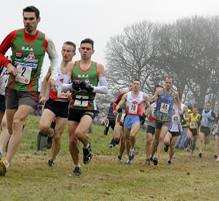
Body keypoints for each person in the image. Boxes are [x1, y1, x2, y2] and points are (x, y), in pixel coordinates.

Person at [0, 5, 61, 176]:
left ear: (38, 20)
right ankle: (5, 149)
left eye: (31, 19)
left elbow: (54, 57)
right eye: (25, 19)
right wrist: (7, 64)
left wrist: (54, 76)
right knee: (9, 126)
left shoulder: (45, 40)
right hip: (13, 87)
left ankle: (7, 162)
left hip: (30, 91)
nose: (28, 22)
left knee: (17, 121)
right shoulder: (14, 35)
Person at [61, 38, 108, 176]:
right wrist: (72, 85)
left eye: (88, 49)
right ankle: (77, 166)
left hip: (88, 106)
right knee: (72, 139)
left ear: (93, 51)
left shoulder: (98, 67)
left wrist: (91, 88)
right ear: (79, 50)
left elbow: (105, 89)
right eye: (83, 48)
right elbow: (63, 87)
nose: (85, 51)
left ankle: (87, 146)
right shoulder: (72, 65)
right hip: (74, 105)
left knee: (80, 133)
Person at [38, 41, 76, 168]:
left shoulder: (76, 69)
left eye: (68, 51)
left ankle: (52, 159)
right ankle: (50, 132)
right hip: (53, 102)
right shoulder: (55, 67)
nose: (65, 53)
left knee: (58, 137)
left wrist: (73, 95)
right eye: (63, 50)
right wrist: (43, 95)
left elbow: (79, 87)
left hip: (65, 106)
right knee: (43, 126)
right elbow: (45, 79)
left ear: (74, 53)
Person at [114, 79, 151, 164]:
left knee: (132, 134)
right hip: (128, 117)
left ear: (140, 86)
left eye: (138, 84)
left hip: (137, 118)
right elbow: (119, 104)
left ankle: (132, 149)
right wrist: (118, 109)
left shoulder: (144, 96)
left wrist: (144, 115)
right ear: (132, 85)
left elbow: (149, 107)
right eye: (134, 84)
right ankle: (128, 156)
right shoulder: (127, 95)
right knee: (126, 139)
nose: (135, 85)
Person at [150, 76, 181, 166]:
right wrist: (153, 100)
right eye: (166, 82)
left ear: (172, 84)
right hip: (158, 117)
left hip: (167, 119)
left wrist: (180, 109)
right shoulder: (159, 91)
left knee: (161, 138)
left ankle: (157, 157)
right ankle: (151, 155)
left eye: (169, 83)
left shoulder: (175, 94)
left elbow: (178, 101)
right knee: (156, 140)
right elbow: (151, 100)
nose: (167, 84)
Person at [144, 85, 161, 165]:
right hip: (151, 122)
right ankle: (147, 158)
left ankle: (152, 155)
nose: (158, 93)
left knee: (156, 142)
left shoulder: (164, 101)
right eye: (156, 91)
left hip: (159, 124)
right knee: (149, 139)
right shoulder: (151, 99)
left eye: (159, 92)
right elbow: (144, 107)